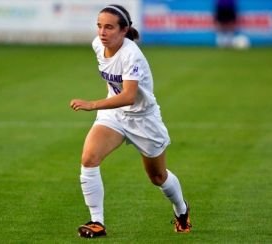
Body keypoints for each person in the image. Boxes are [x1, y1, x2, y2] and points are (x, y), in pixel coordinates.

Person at [70, 4, 192, 238]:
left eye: (109, 27)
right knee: (89, 158)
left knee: (158, 177)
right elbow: (117, 93)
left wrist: (92, 104)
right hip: (114, 115)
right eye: (99, 26)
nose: (102, 32)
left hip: (143, 119)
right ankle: (97, 222)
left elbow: (128, 96)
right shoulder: (98, 45)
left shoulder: (131, 54)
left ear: (124, 30)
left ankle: (182, 210)